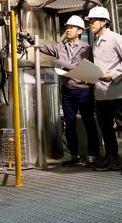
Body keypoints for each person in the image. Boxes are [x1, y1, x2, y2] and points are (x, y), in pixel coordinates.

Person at [32, 15, 99, 168]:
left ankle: (92, 156)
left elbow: (94, 68)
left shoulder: (87, 48)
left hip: (84, 91)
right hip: (67, 91)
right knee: (69, 125)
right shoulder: (60, 47)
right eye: (67, 27)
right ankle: (74, 155)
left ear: (80, 30)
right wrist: (30, 39)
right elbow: (45, 46)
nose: (67, 29)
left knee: (89, 124)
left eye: (71, 27)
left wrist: (89, 78)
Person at [85, 6, 122, 176]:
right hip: (101, 92)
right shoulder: (95, 42)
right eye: (90, 20)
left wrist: (113, 74)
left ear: (104, 21)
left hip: (115, 91)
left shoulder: (115, 38)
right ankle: (112, 158)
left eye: (93, 20)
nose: (91, 23)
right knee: (105, 126)